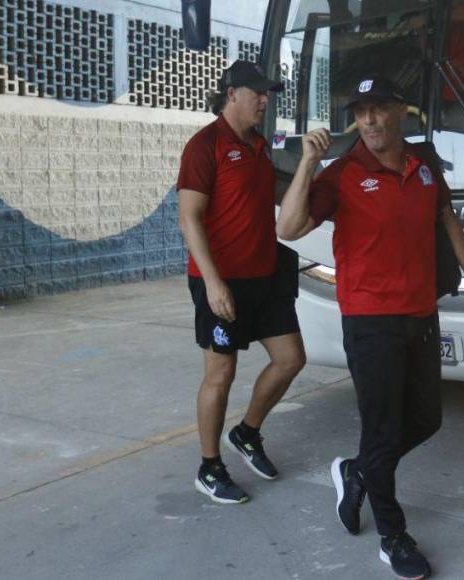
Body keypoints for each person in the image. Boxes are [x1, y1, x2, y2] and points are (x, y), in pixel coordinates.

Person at [276, 76, 464, 579]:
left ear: (401, 111)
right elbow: (287, 229)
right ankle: (392, 535)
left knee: (426, 419)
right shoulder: (343, 173)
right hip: (369, 320)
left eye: (379, 109)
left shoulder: (423, 166)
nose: (370, 120)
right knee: (382, 429)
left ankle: (356, 472)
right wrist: (309, 162)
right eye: (361, 112)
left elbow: (447, 219)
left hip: (420, 315)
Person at [177, 60, 306, 505]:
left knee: (290, 359)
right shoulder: (204, 145)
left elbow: (276, 200)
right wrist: (213, 283)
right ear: (232, 92)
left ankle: (247, 432)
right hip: (222, 280)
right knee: (222, 372)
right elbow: (188, 218)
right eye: (258, 93)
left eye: (268, 94)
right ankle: (209, 467)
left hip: (265, 276)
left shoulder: (259, 146)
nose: (265, 101)